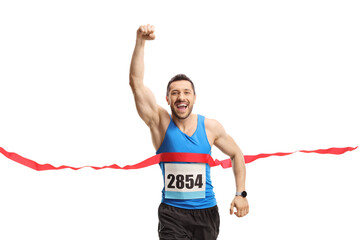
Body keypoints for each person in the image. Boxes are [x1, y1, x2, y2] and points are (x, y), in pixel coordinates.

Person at [129, 24, 249, 240]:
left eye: (186, 92)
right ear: (168, 99)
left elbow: (236, 154)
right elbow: (136, 85)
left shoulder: (211, 127)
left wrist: (240, 193)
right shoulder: (159, 123)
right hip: (172, 214)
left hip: (207, 213)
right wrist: (140, 42)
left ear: (194, 98)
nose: (181, 97)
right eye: (175, 93)